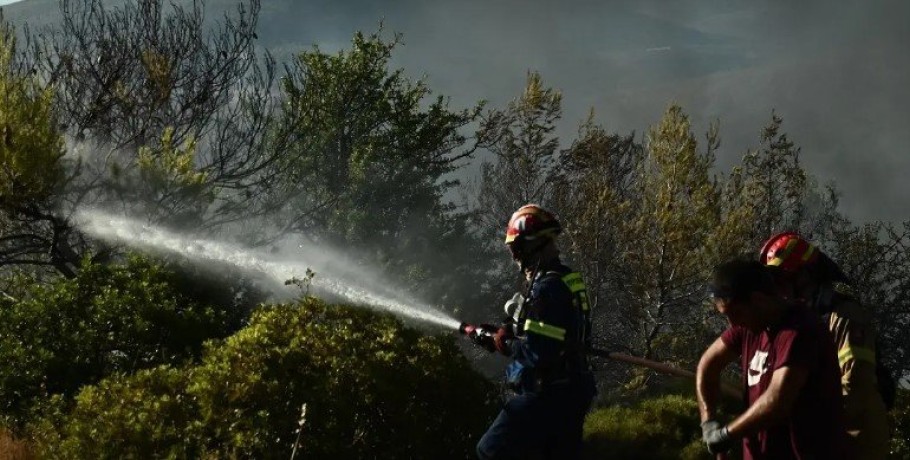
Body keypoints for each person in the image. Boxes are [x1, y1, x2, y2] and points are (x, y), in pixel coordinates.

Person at [466, 204, 596, 460]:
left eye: (516, 248)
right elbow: (553, 333)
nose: (514, 256)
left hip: (547, 396)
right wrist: (506, 332)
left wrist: (504, 344)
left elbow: (539, 352)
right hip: (573, 390)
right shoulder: (566, 278)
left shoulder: (546, 289)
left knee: (489, 450)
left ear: (533, 245)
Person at [759, 232, 892, 459]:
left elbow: (855, 382)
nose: (781, 289)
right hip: (820, 439)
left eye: (784, 278)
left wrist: (810, 415)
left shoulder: (843, 315)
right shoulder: (801, 321)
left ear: (805, 275)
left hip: (855, 439)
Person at [696, 258, 846, 459]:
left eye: (736, 313)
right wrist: (708, 422)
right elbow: (708, 365)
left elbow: (777, 401)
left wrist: (725, 435)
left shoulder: (800, 330)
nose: (732, 322)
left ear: (758, 300)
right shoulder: (747, 326)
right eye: (726, 315)